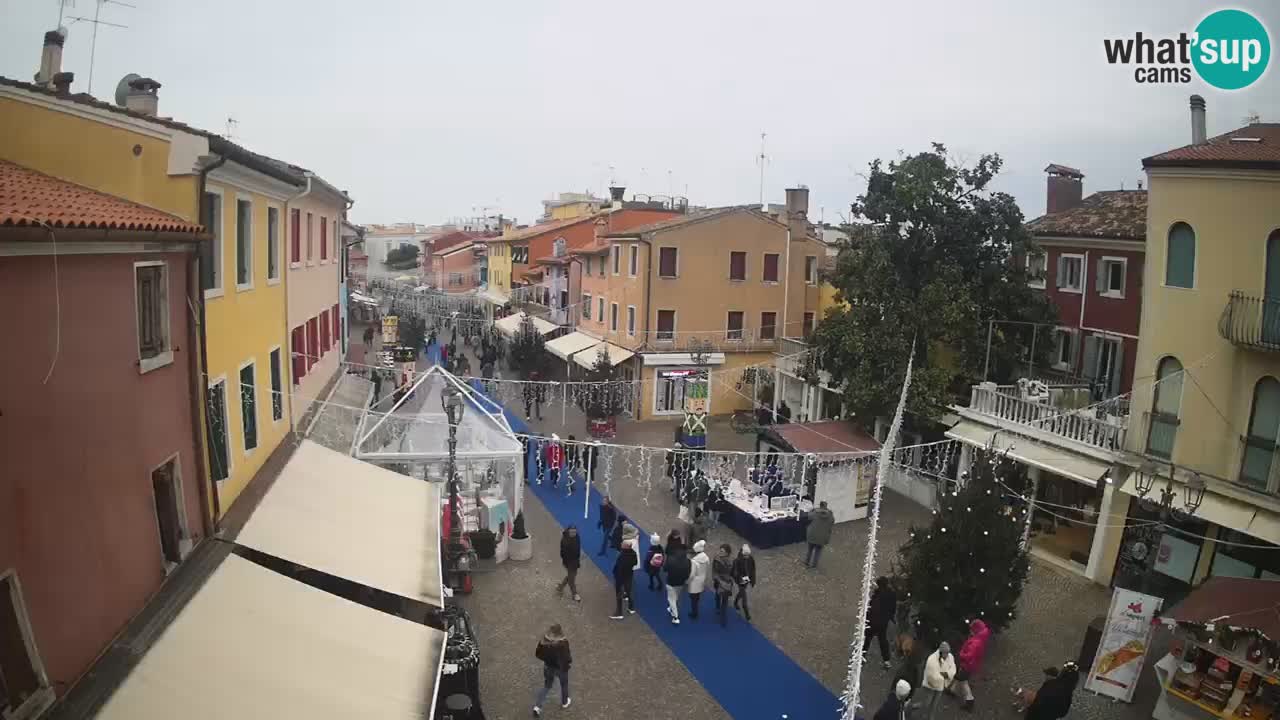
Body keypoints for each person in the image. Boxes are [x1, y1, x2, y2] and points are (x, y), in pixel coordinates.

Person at [532, 624, 572, 716]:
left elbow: (538, 654)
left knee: (547, 686)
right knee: (564, 685)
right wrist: (567, 664)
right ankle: (564, 702)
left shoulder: (543, 641)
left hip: (548, 667)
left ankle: (537, 706)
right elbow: (567, 658)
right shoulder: (563, 643)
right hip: (560, 669)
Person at [953, 619, 991, 712]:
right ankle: (953, 690)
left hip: (967, 665)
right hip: (972, 665)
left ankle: (969, 700)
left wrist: (961, 654)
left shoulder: (975, 642)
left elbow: (969, 656)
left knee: (963, 682)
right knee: (960, 679)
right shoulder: (980, 639)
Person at [864, 576, 898, 669]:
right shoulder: (892, 594)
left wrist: (867, 617)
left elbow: (872, 607)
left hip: (872, 621)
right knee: (883, 641)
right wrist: (889, 617)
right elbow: (892, 609)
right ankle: (886, 661)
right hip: (883, 623)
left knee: (867, 639)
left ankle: (861, 657)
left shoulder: (877, 594)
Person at [920, 641, 957, 720]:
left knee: (935, 704)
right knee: (926, 703)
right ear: (940, 652)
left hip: (940, 686)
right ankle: (920, 712)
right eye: (945, 653)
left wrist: (947, 674)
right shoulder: (931, 659)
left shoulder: (950, 657)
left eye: (948, 653)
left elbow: (953, 668)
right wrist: (945, 675)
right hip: (930, 686)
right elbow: (932, 675)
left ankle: (931, 717)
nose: (947, 655)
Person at [663, 543, 692, 625]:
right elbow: (688, 573)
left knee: (671, 599)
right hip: (681, 583)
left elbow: (664, 569)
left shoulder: (670, 559)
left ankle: (675, 617)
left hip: (671, 582)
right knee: (676, 597)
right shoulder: (688, 561)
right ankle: (671, 608)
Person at [610, 538, 638, 620]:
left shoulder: (622, 556)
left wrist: (615, 575)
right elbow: (635, 563)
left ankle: (619, 612)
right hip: (629, 575)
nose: (621, 544)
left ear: (625, 547)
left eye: (622, 544)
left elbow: (619, 567)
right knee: (628, 591)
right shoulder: (633, 553)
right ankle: (631, 607)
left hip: (620, 577)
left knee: (619, 594)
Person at [804, 500, 836, 569]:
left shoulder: (815, 513)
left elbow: (809, 516)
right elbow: (832, 522)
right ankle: (814, 565)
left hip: (812, 535)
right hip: (822, 537)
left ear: (820, 505)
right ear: (826, 506)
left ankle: (807, 561)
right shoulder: (830, 515)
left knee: (810, 549)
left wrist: (812, 510)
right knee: (817, 552)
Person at [712, 544, 735, 628]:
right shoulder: (716, 559)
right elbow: (714, 570)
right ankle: (717, 607)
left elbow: (733, 573)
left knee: (724, 601)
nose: (720, 552)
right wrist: (716, 578)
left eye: (722, 551)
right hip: (718, 581)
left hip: (727, 582)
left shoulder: (731, 562)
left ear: (727, 553)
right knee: (717, 595)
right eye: (720, 550)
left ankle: (723, 618)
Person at [731, 544, 757, 622]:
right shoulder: (736, 561)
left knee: (741, 593)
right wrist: (740, 579)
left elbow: (753, 570)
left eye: (748, 555)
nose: (747, 557)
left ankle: (735, 602)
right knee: (744, 597)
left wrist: (753, 581)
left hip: (746, 579)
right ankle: (747, 615)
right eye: (745, 555)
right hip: (740, 581)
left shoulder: (750, 558)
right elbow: (734, 572)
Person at [556, 527, 581, 602]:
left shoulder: (577, 538)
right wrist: (565, 562)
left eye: (574, 532)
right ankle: (575, 594)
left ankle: (560, 587)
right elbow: (562, 553)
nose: (573, 533)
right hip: (569, 563)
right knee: (571, 580)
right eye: (572, 532)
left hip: (575, 562)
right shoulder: (564, 541)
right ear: (568, 532)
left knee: (571, 576)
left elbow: (578, 550)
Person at [687, 540, 710, 621]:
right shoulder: (706, 558)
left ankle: (694, 613)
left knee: (693, 598)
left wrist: (688, 581)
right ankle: (695, 609)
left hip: (695, 582)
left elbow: (692, 574)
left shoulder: (694, 561)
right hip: (702, 579)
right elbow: (707, 568)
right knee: (697, 596)